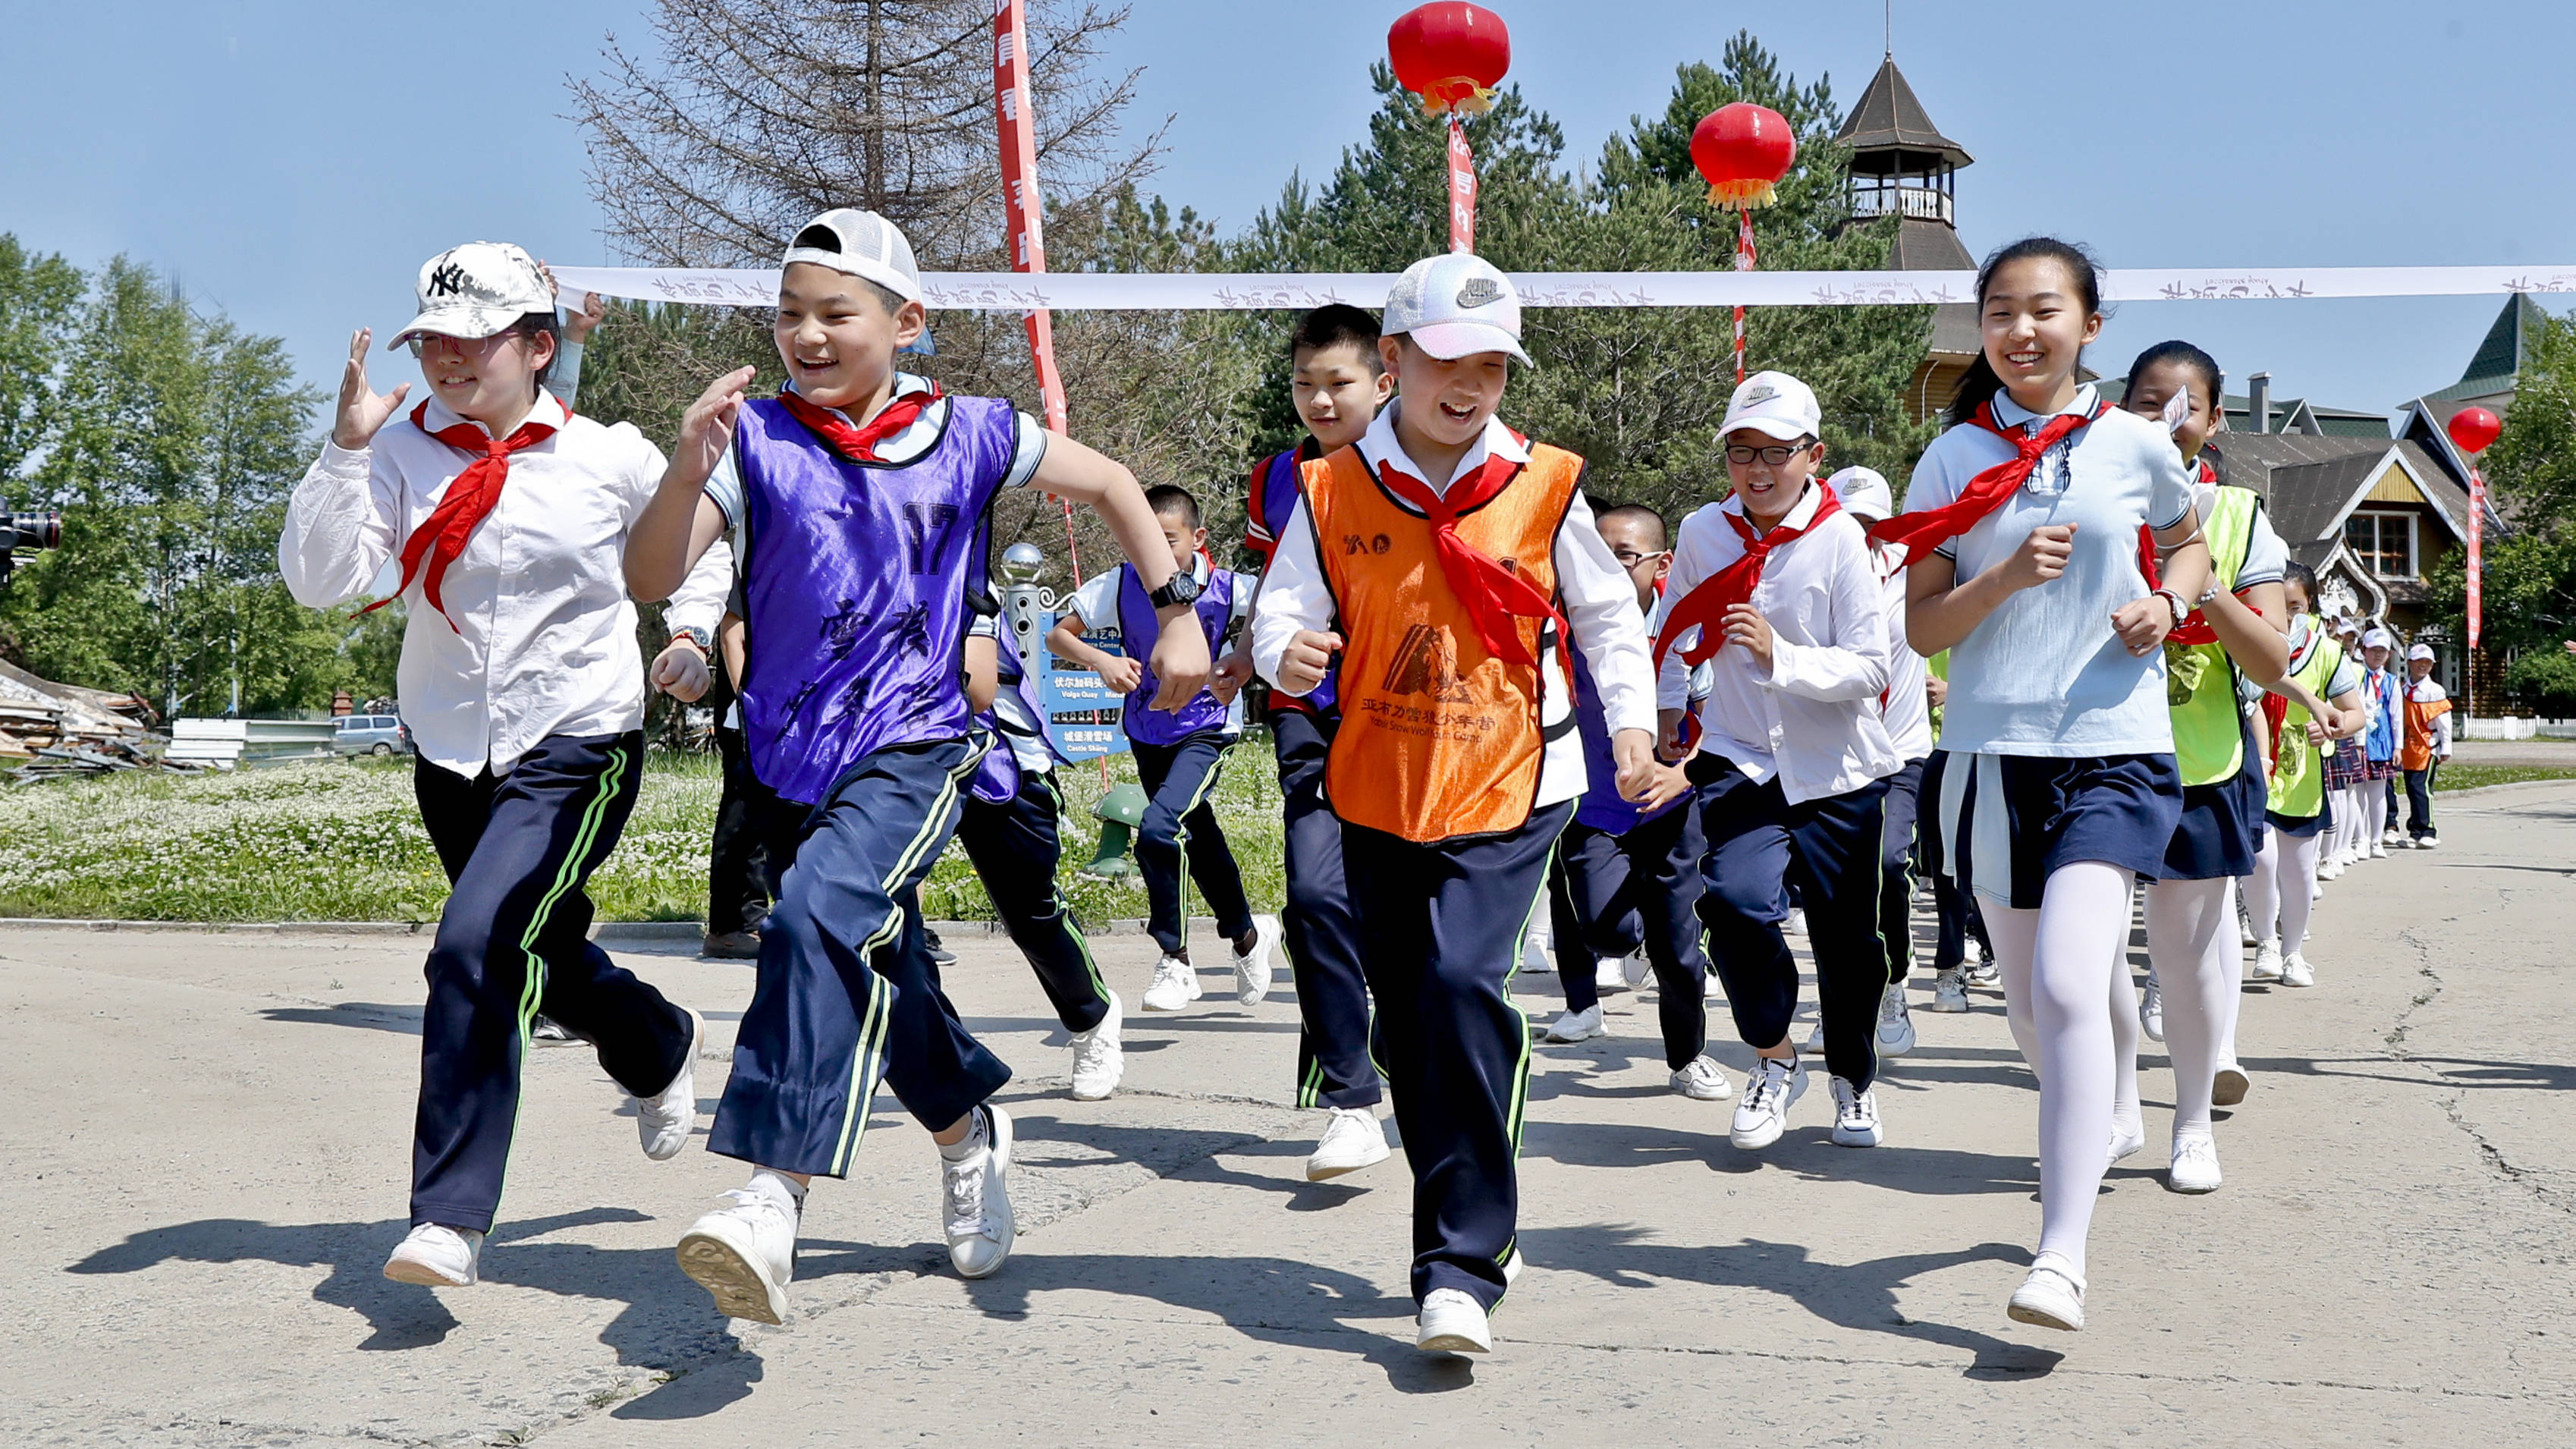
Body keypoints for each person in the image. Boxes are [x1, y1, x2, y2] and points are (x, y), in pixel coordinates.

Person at [624, 207, 1212, 1325]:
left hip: (920, 739)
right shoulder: (753, 442)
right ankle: (968, 1124)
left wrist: (1175, 614)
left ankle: (771, 1195)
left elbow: (1117, 486)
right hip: (796, 760)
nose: (806, 333)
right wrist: (682, 467)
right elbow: (653, 569)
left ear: (907, 322)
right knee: (879, 974)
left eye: (834, 313)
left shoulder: (974, 431)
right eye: (790, 312)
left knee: (807, 920)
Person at [279, 241, 732, 1289]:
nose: (445, 360)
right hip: (450, 750)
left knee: (474, 944)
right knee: (539, 945)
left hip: (577, 740)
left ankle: (448, 1213)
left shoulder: (606, 454)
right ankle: (658, 1039)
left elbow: (701, 541)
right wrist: (344, 454)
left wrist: (692, 636)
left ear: (537, 346)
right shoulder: (396, 452)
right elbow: (322, 581)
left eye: (469, 340)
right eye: (430, 340)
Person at [1251, 253, 1657, 1356]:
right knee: (1410, 1018)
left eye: (1492, 363)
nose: (1471, 383)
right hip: (1380, 780)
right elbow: (1277, 611)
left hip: (1514, 775)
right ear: (1393, 362)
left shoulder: (1548, 481)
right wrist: (1285, 651)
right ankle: (1458, 1197)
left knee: (1462, 982)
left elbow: (1611, 618)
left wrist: (1631, 721)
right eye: (1446, 360)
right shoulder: (1331, 489)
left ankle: (1460, 1261)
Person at [1883, 237, 2210, 1332]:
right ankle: (2111, 1101)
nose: (2022, 331)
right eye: (2000, 314)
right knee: (2031, 1004)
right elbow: (1922, 626)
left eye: (2045, 310)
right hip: (1989, 756)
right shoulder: (1952, 458)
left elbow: (2189, 545)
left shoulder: (2136, 442)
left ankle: (2060, 1253)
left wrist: (2168, 604)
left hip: (2112, 747)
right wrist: (2002, 580)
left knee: (2073, 983)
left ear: (2089, 325)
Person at [1654, 372, 1902, 1154]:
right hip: (1739, 759)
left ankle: (1854, 1081)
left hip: (1838, 772)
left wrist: (1780, 655)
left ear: (1814, 454)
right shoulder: (1703, 531)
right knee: (1730, 903)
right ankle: (1775, 1058)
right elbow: (1673, 628)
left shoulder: (1840, 540)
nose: (1757, 469)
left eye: (1777, 453)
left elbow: (1870, 668)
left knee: (1847, 941)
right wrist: (1666, 713)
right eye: (1740, 451)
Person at [1228, 305, 1398, 1181]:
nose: (1321, 401)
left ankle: (1424, 1062)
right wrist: (1244, 656)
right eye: (1305, 385)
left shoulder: (1425, 465)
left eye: (1339, 383)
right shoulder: (1274, 480)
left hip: (1416, 720)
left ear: (1385, 379)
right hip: (1311, 711)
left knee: (1407, 919)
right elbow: (1273, 596)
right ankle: (1351, 1103)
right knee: (1315, 894)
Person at [2119, 341, 2291, 1189]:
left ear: (2215, 418)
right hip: (2096, 757)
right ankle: (2116, 1098)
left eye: (2185, 404)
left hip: (2204, 762)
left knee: (2182, 956)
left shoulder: (2240, 514)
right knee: (2079, 959)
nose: (2166, 418)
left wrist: (2201, 583)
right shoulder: (2092, 497)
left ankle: (2192, 1121)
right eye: (2147, 402)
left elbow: (2269, 658)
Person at [1048, 486, 1280, 1013]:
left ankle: (1175, 959)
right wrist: (1101, 661)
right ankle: (1248, 937)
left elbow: (1277, 603)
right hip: (1147, 729)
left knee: (1159, 828)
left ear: (1197, 539)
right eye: (1141, 539)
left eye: (1167, 540)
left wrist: (1243, 660)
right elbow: (1059, 636)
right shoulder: (1119, 582)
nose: (1152, 551)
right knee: (1198, 837)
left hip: (1207, 727)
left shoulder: (1223, 586)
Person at [1541, 503, 1729, 1103]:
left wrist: (1686, 773)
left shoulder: (1691, 630)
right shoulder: (1566, 624)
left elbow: (1724, 720)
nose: (1607, 567)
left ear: (1660, 563)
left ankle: (1688, 1057)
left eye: (1623, 556)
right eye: (1598, 555)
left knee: (1678, 951)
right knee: (1608, 931)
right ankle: (1624, 953)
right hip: (1592, 807)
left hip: (1674, 806)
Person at [958, 608, 1125, 1099]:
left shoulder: (961, 575)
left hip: (1001, 770)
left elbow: (978, 688)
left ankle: (1091, 1016)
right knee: (869, 906)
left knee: (1028, 913)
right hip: (897, 761)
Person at [1830, 466, 1934, 1055]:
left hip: (1899, 752)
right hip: (1835, 752)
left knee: (1891, 866)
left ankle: (1894, 979)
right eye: (1851, 521)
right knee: (1837, 889)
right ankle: (1844, 1004)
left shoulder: (1916, 565)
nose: (1863, 532)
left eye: (1872, 521)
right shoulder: (1818, 565)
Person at [2245, 564, 2364, 991]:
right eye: (2281, 605)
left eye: (2296, 605)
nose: (2289, 614)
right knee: (2260, 860)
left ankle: (2294, 951)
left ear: (2309, 603)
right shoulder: (2249, 638)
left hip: (2301, 774)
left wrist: (2331, 727)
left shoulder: (2327, 652)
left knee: (2298, 872)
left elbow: (2355, 715)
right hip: (2255, 764)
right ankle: (2266, 943)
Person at [2317, 618, 2370, 880]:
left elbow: (2359, 708)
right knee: (2330, 795)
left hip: (2340, 731)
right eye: (2341, 636)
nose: (2345, 642)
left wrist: (2359, 741)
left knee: (2343, 794)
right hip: (2317, 731)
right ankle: (2326, 853)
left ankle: (2337, 851)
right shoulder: (2318, 651)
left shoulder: (2354, 668)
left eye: (2350, 639)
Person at [2398, 642, 2453, 847]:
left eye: (2427, 663)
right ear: (2410, 663)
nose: (2423, 666)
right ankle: (2415, 830)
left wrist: (2446, 747)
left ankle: (2428, 829)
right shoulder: (2403, 689)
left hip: (2427, 747)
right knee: (2411, 789)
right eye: (2418, 661)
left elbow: (2443, 722)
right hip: (2408, 747)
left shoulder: (2435, 691)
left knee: (2422, 788)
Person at [2355, 627, 2403, 860]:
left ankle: (2376, 839)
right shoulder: (2356, 675)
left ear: (2389, 655)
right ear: (2364, 650)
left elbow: (2397, 717)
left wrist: (2398, 747)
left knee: (2379, 793)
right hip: (2358, 739)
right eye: (2373, 650)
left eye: (2382, 651)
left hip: (2381, 742)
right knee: (2357, 794)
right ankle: (2360, 839)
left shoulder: (2392, 682)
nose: (2377, 655)